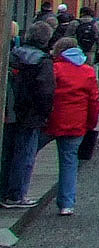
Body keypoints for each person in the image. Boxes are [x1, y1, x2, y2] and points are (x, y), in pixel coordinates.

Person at [45, 36, 99, 217]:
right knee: (69, 164)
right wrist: (90, 124)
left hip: (50, 120)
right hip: (77, 123)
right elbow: (94, 102)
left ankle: (16, 193)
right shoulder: (88, 71)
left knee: (26, 154)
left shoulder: (55, 69)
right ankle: (66, 204)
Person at [2, 23, 56, 208]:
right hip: (31, 114)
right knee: (25, 155)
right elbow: (45, 92)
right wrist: (45, 113)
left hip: (10, 110)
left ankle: (3, 192)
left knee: (7, 153)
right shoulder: (43, 61)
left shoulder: (14, 55)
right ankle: (17, 195)